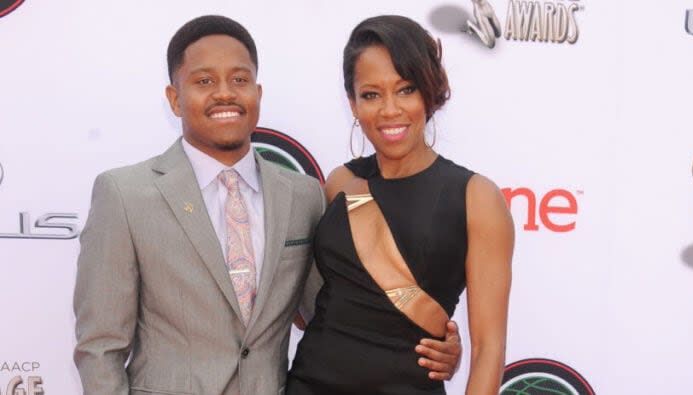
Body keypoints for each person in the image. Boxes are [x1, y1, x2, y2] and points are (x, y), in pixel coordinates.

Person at [73, 15, 461, 395]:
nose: (225, 92)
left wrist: (430, 346)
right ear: (175, 99)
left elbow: (334, 311)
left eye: (239, 79)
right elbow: (100, 348)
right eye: (204, 81)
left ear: (257, 95)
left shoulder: (304, 195)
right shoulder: (125, 195)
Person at [287, 15, 514, 395]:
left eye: (406, 89)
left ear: (430, 91)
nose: (390, 110)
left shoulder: (477, 198)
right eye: (371, 94)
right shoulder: (340, 183)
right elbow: (308, 304)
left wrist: (453, 351)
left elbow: (490, 349)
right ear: (353, 103)